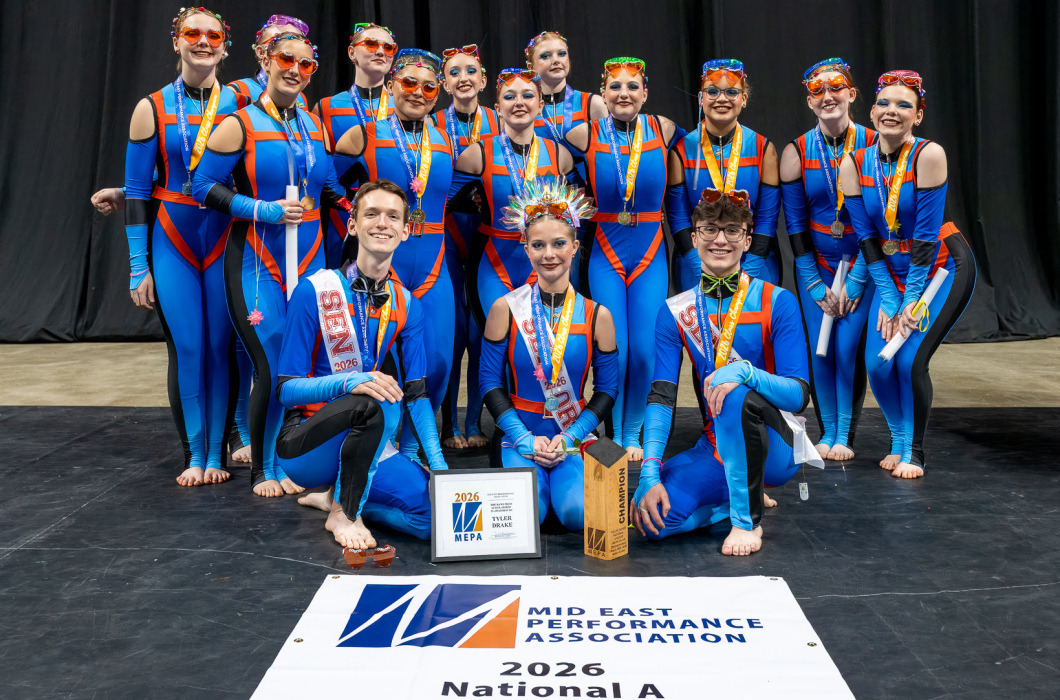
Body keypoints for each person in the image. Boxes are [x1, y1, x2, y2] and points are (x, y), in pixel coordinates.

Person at [194, 31, 341, 497]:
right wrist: (263, 209)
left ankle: (300, 457)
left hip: (312, 257)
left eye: (305, 64)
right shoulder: (240, 122)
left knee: (308, 364)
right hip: (258, 260)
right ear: (265, 59)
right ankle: (263, 467)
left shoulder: (314, 124)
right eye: (285, 60)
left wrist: (365, 209)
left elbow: (330, 186)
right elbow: (202, 187)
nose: (295, 70)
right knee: (273, 359)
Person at [632, 191, 818, 556]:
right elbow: (661, 396)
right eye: (710, 230)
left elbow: (798, 395)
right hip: (717, 444)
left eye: (732, 230)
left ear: (748, 240)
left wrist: (747, 372)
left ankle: (746, 521)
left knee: (731, 389)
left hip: (777, 446)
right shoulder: (674, 312)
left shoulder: (778, 301)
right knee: (652, 520)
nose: (720, 240)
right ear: (695, 237)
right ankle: (733, 499)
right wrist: (649, 470)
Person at [276, 180, 446, 549]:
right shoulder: (315, 290)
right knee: (376, 398)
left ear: (405, 230)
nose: (382, 223)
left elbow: (417, 395)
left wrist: (441, 469)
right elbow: (286, 390)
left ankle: (336, 498)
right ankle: (344, 514)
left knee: (434, 518)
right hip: (309, 443)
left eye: (392, 216)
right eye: (371, 214)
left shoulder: (407, 304)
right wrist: (347, 381)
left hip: (371, 442)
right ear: (353, 225)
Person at [123, 6, 240, 487]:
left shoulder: (241, 102)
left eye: (213, 35)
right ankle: (195, 453)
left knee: (221, 347)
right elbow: (135, 191)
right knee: (189, 347)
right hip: (173, 238)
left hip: (223, 236)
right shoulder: (150, 107)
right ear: (176, 41)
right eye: (192, 33)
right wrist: (137, 266)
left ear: (225, 46)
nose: (203, 42)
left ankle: (219, 453)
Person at [839, 70, 976, 479]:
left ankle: (915, 452)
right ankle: (898, 439)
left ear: (918, 116)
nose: (891, 112)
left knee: (909, 361)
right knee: (880, 363)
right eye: (884, 103)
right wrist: (891, 297)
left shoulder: (929, 155)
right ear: (872, 109)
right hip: (891, 273)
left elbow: (925, 240)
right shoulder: (854, 162)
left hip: (940, 269)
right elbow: (865, 240)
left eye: (904, 105)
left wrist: (909, 303)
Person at [333, 49, 456, 463]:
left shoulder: (445, 139)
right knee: (384, 362)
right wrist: (359, 225)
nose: (418, 93)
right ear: (390, 86)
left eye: (428, 87)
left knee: (437, 362)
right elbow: (326, 183)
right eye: (408, 84)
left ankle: (415, 443)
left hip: (435, 265)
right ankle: (379, 444)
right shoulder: (362, 134)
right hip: (385, 266)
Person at [480, 180, 618, 529]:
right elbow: (488, 382)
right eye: (538, 245)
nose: (549, 254)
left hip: (573, 435)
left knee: (578, 517)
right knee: (527, 518)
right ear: (526, 249)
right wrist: (523, 437)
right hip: (520, 436)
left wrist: (570, 437)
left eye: (559, 244)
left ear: (575, 246)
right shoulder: (505, 309)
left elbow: (607, 391)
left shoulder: (598, 316)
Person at [449, 67, 574, 450]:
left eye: (527, 96)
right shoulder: (477, 153)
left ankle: (533, 423)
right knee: (498, 345)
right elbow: (446, 203)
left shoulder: (560, 154)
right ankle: (485, 425)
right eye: (509, 96)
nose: (519, 102)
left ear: (540, 104)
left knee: (543, 344)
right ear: (497, 106)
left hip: (543, 263)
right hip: (494, 263)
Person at [565, 58, 678, 461]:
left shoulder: (664, 130)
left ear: (645, 93)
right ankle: (610, 428)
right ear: (603, 94)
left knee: (646, 350)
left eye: (633, 86)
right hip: (605, 251)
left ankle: (633, 434)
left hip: (650, 252)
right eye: (615, 87)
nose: (624, 93)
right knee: (619, 348)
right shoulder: (581, 135)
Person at [780, 58, 877, 461]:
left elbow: (881, 219)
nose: (828, 96)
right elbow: (795, 223)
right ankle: (829, 430)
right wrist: (811, 279)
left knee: (845, 347)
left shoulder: (875, 144)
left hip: (864, 264)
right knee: (819, 349)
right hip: (817, 265)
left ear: (852, 94)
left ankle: (845, 434)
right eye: (818, 91)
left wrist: (857, 278)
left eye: (836, 88)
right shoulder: (796, 151)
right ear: (809, 101)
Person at [434, 44, 500, 450]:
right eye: (454, 72)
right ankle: (445, 426)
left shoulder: (501, 118)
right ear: (444, 82)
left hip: (486, 240)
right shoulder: (432, 124)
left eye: (471, 70)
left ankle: (475, 422)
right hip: (444, 238)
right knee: (450, 335)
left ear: (483, 79)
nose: (463, 78)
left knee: (480, 334)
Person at [667, 59, 781, 291]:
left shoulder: (763, 148)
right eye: (712, 91)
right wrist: (702, 271)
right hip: (695, 265)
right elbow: (678, 220)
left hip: (753, 263)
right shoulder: (681, 150)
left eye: (731, 92)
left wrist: (746, 274)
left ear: (744, 99)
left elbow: (768, 220)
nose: (721, 99)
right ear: (701, 98)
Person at [315, 22, 398, 268]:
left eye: (388, 47)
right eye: (371, 44)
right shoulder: (326, 107)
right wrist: (346, 205)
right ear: (352, 53)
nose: (380, 51)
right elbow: (321, 169)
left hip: (390, 219)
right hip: (341, 217)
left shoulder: (406, 107)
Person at [228, 14, 310, 110]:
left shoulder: (300, 97)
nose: (290, 51)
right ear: (261, 52)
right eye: (279, 42)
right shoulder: (236, 91)